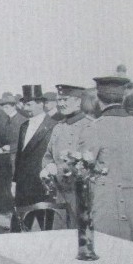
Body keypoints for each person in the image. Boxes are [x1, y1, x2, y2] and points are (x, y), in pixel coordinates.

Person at [82, 76, 133, 246]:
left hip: (108, 206)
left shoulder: (94, 128)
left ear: (98, 100)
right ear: (123, 98)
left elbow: (83, 171)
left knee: (112, 260)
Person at [40, 84, 91, 226]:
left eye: (65, 99)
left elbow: (89, 163)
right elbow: (48, 155)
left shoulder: (89, 126)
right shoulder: (58, 128)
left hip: (83, 197)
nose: (61, 104)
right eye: (59, 100)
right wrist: (48, 167)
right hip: (61, 196)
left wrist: (60, 170)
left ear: (78, 101)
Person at [11, 85, 57, 231]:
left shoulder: (53, 126)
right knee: (18, 229)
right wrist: (14, 181)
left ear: (41, 103)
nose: (25, 108)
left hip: (42, 186)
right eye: (24, 104)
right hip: (23, 187)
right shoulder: (24, 126)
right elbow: (20, 155)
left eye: (29, 104)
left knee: (45, 229)